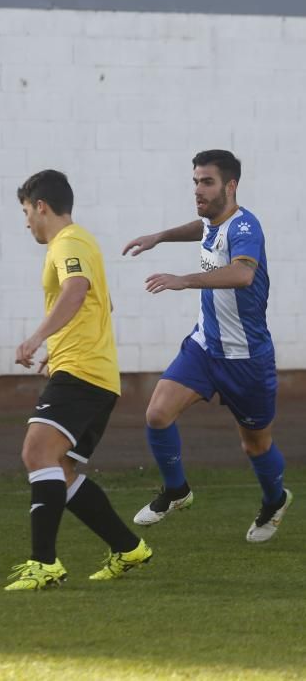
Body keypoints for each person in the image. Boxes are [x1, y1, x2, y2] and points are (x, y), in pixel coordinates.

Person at [122, 150, 292, 543]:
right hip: (204, 346)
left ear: (230, 186)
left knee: (256, 445)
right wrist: (160, 237)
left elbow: (244, 274)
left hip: (246, 358)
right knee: (158, 413)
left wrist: (184, 279)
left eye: (207, 182)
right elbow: (200, 228)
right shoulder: (212, 221)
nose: (198, 189)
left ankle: (275, 499)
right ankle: (177, 491)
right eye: (196, 181)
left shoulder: (246, 227)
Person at [5, 169, 152, 591]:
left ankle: (44, 564)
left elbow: (76, 291)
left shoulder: (67, 242)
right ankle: (128, 548)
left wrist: (37, 338)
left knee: (37, 451)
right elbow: (104, 304)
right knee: (61, 470)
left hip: (83, 373)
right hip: (89, 370)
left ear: (42, 206)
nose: (26, 222)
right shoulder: (80, 242)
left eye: (26, 212)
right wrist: (59, 347)